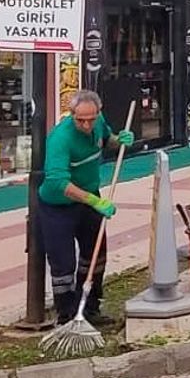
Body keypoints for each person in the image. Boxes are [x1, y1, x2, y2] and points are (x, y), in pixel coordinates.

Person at [38, 90, 135, 325]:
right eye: (80, 120)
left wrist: (119, 140)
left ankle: (90, 307)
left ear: (98, 113)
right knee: (64, 264)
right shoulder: (60, 139)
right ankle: (67, 315)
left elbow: (106, 138)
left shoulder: (97, 122)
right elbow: (58, 182)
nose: (86, 125)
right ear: (71, 115)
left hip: (90, 197)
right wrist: (94, 201)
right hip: (58, 206)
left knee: (95, 255)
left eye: (91, 119)